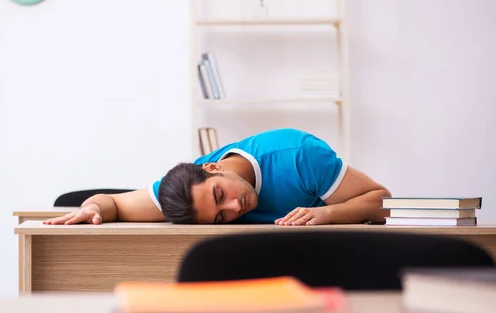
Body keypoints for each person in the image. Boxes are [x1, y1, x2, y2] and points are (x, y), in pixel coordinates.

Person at [44, 128, 391, 226]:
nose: (235, 207)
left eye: (220, 195)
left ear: (213, 168)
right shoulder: (186, 195)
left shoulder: (299, 157)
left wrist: (326, 213)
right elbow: (114, 202)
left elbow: (382, 202)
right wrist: (91, 208)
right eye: (222, 216)